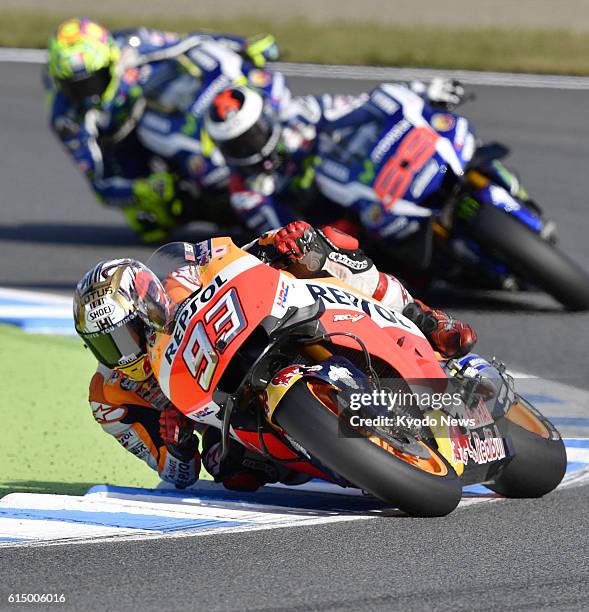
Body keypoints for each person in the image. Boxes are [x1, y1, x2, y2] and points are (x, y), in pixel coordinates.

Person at [73, 221, 476, 490]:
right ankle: (338, 456)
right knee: (229, 471)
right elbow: (176, 477)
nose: (121, 353)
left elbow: (231, 255)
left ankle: (425, 319)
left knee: (316, 248)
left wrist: (276, 242)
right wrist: (177, 445)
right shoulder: (110, 400)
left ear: (149, 306)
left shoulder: (180, 280)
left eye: (124, 335)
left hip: (262, 325)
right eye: (105, 344)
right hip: (224, 409)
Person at [45, 18, 280, 242]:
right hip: (122, 148)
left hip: (164, 107)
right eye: (74, 86)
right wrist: (142, 189)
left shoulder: (133, 44)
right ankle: (217, 208)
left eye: (92, 80)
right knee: (151, 224)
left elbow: (191, 42)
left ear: (110, 61)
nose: (87, 93)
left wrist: (243, 46)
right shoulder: (67, 119)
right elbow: (101, 184)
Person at [203, 79, 467, 268]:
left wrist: (421, 90)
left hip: (369, 170)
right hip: (336, 225)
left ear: (266, 116)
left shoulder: (301, 113)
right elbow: (279, 234)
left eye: (253, 134)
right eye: (237, 144)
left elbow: (365, 104)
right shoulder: (246, 191)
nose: (250, 145)